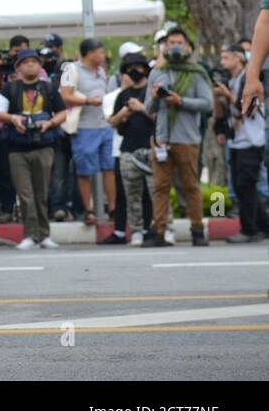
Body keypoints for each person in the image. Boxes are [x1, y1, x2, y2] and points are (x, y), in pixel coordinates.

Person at [0, 48, 68, 249]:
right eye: (25, 62)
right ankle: (30, 234)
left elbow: (62, 112)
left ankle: (44, 234)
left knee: (42, 192)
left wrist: (49, 123)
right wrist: (13, 118)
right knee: (24, 193)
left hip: (44, 145)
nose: (30, 65)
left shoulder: (48, 88)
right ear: (18, 67)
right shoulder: (10, 89)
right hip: (17, 147)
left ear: (40, 65)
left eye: (34, 61)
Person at [143, 26, 213, 247]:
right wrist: (156, 98)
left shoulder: (196, 72)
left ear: (187, 46)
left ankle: (197, 231)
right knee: (160, 187)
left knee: (190, 186)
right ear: (164, 46)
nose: (174, 46)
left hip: (187, 138)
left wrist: (180, 101)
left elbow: (207, 103)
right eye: (170, 42)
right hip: (162, 138)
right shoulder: (157, 72)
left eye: (179, 42)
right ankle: (159, 232)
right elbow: (149, 108)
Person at [61, 37, 115, 230]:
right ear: (89, 53)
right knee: (85, 170)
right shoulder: (70, 69)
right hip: (83, 126)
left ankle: (114, 209)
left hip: (105, 125)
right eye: (99, 53)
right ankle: (88, 210)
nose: (102, 56)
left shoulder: (101, 71)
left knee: (109, 167)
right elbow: (65, 94)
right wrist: (87, 101)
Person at [214, 44, 267, 242]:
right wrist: (217, 97)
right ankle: (263, 225)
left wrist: (228, 95)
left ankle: (249, 229)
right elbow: (221, 113)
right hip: (236, 142)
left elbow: (250, 109)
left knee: (247, 185)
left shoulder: (249, 79)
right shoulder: (232, 80)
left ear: (238, 58)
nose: (222, 62)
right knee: (241, 186)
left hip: (252, 141)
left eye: (226, 57)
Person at [107, 51, 155, 245]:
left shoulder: (152, 92)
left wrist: (142, 108)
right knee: (131, 193)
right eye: (130, 69)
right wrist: (125, 111)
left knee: (154, 191)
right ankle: (135, 230)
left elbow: (160, 118)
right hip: (128, 148)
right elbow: (112, 121)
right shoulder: (123, 95)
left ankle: (158, 228)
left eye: (138, 67)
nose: (135, 71)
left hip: (151, 147)